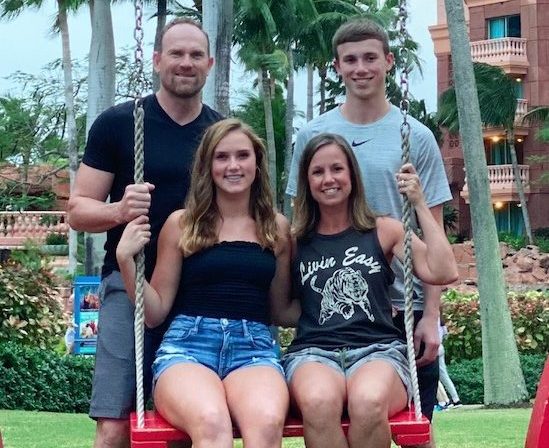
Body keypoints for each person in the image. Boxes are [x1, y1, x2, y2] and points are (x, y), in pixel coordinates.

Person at [285, 18, 452, 434]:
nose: (361, 68)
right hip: (327, 317)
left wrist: (431, 316)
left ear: (388, 62)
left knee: (406, 425)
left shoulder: (415, 136)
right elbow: (300, 221)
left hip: (401, 306)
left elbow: (434, 230)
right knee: (325, 408)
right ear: (337, 66)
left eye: (370, 58)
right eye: (350, 60)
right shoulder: (313, 135)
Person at [67, 18, 222, 448]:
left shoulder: (220, 134)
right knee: (115, 424)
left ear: (209, 64)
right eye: (176, 53)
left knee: (180, 426)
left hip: (196, 291)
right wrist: (119, 210)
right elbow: (78, 210)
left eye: (195, 55)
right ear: (157, 61)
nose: (186, 63)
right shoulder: (119, 123)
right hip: (127, 282)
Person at [116, 118, 291, 447]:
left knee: (266, 424)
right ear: (207, 166)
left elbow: (280, 309)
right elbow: (155, 313)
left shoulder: (276, 228)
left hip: (253, 348)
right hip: (187, 348)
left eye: (242, 155)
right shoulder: (182, 224)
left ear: (257, 162)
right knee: (211, 424)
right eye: (222, 157)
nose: (233, 165)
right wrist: (126, 260)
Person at [278, 133, 457, 448]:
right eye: (317, 172)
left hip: (378, 351)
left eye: (337, 169)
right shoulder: (296, 240)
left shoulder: (383, 229)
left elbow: (443, 271)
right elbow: (282, 310)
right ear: (306, 181)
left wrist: (419, 203)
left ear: (352, 176)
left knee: (369, 400)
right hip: (313, 354)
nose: (328, 179)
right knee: (319, 402)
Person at [437, 316, 462, 408]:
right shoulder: (441, 322)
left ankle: (446, 401)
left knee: (436, 375)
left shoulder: (432, 319)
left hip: (434, 348)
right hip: (440, 347)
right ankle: (454, 399)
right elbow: (445, 335)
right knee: (443, 375)